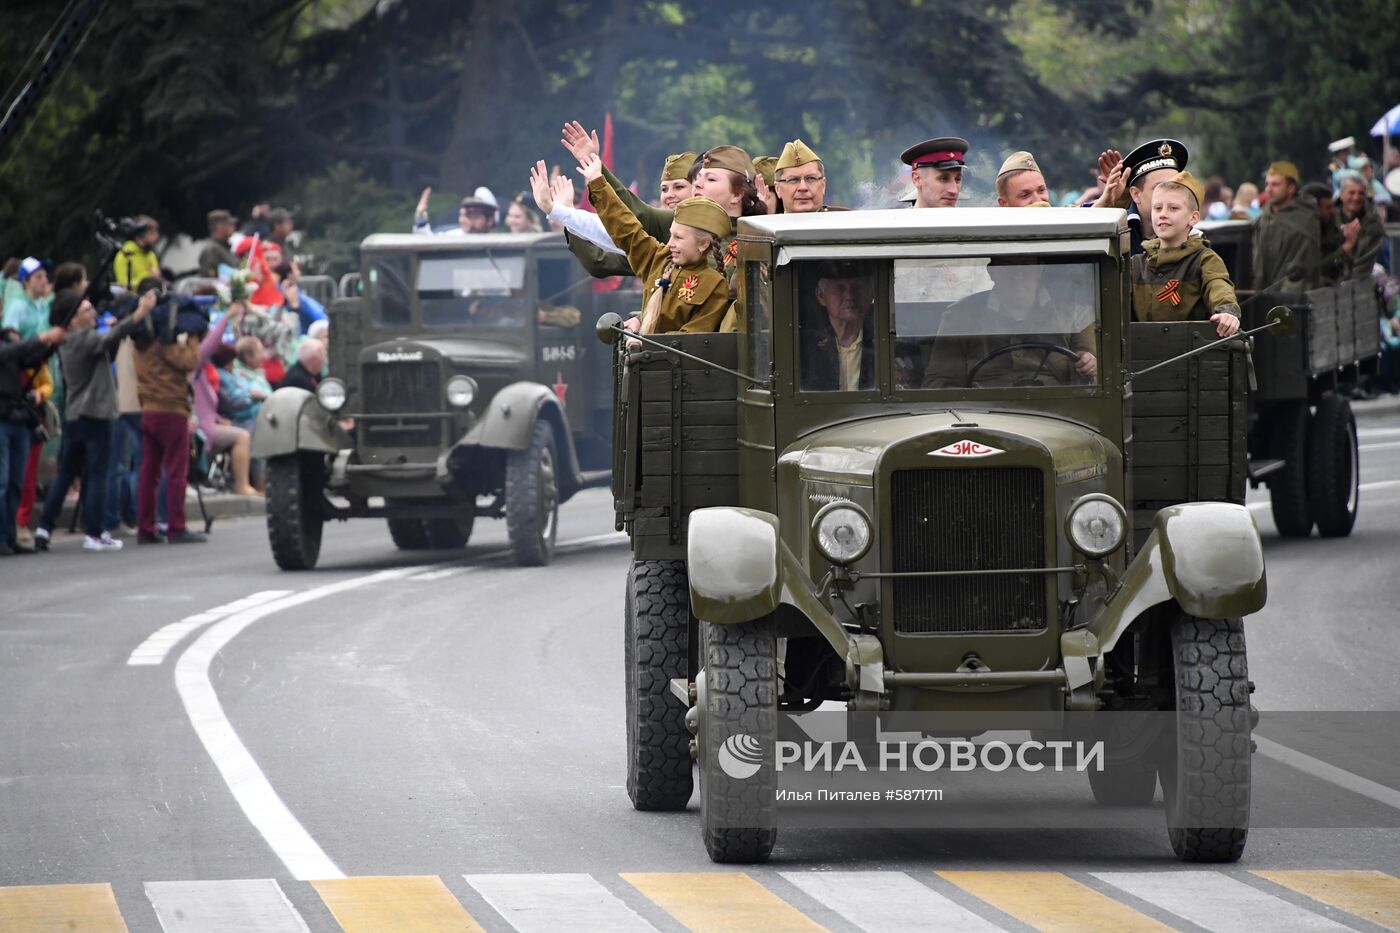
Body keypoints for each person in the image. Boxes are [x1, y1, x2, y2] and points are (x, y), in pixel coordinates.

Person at [32, 288, 157, 552]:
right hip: (95, 414)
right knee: (98, 474)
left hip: (76, 415)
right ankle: (95, 533)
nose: (93, 313)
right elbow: (107, 339)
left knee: (66, 474)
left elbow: (105, 345)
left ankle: (44, 527)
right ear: (73, 319)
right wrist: (139, 314)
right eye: (86, 310)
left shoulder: (68, 340)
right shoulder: (82, 339)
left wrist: (114, 331)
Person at [579, 151, 732, 335]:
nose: (670, 244)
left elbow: (693, 338)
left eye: (679, 238)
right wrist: (597, 183)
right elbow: (626, 228)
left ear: (703, 244)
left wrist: (645, 344)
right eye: (671, 236)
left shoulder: (713, 284)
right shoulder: (658, 259)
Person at [923, 258, 1097, 388]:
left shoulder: (1074, 313)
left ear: (1040, 269)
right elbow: (938, 382)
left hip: (1060, 407)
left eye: (1026, 266)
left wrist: (1089, 363)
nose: (1018, 275)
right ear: (992, 272)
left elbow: (1101, 376)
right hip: (986, 412)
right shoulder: (960, 316)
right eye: (1009, 267)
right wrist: (970, 401)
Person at [133, 279, 207, 544]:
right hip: (171, 407)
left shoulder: (139, 337)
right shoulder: (165, 339)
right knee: (176, 470)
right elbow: (188, 361)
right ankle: (176, 526)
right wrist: (195, 336)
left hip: (148, 407)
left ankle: (145, 528)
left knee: (148, 471)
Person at [1130, 172, 1241, 337]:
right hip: (1142, 355)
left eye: (1173, 208)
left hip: (1190, 353)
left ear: (1193, 218)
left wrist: (1226, 312)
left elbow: (1218, 285)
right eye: (1157, 208)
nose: (1163, 214)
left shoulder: (1204, 259)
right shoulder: (1136, 264)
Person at [1, 325, 64, 554]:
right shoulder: (7, 348)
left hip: (19, 417)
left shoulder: (10, 345)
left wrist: (49, 346)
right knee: (2, 482)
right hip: (3, 419)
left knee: (16, 481)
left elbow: (30, 361)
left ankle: (9, 536)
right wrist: (41, 337)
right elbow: (11, 351)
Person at [191, 305, 259, 497]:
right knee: (242, 436)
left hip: (209, 420)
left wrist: (217, 417)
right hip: (200, 427)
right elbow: (211, 345)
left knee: (242, 431)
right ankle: (242, 485)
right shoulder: (193, 362)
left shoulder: (202, 366)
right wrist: (225, 317)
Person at [1092, 139, 1189, 254]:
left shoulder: (1191, 235)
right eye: (1160, 188)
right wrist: (1104, 203)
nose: (1171, 195)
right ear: (1136, 194)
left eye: (1176, 186)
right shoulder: (1116, 229)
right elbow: (1075, 240)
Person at [799, 261, 877, 391]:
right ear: (821, 296)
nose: (849, 296)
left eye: (858, 287)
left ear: (871, 293)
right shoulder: (803, 347)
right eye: (839, 288)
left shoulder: (886, 342)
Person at [1254, 160, 1320, 294]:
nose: (1269, 189)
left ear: (1290, 188)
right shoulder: (1263, 218)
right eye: (1267, 184)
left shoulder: (1305, 218)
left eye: (1275, 184)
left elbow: (1307, 261)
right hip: (1263, 293)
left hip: (1294, 293)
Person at [1336, 171, 1386, 280]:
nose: (1356, 198)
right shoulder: (1328, 217)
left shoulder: (1373, 224)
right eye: (1351, 192)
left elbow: (1364, 262)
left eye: (1361, 193)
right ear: (1341, 195)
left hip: (1358, 284)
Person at [774, 139, 845, 213]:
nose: (803, 187)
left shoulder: (845, 221)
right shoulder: (767, 223)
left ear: (823, 185)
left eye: (811, 178)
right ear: (778, 189)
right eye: (793, 180)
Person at [901, 137, 969, 208]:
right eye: (943, 179)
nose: (954, 190)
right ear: (917, 179)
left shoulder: (973, 218)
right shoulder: (896, 218)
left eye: (958, 179)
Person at [413, 187, 498, 235]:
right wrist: (420, 216)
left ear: (490, 220)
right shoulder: (454, 237)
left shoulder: (502, 243)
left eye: (475, 217)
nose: (470, 222)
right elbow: (426, 241)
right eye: (468, 216)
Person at [112, 216, 161, 291]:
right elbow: (123, 285)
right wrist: (148, 283)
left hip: (154, 295)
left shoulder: (151, 255)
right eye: (152, 233)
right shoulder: (124, 255)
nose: (157, 236)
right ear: (141, 235)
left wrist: (157, 279)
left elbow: (157, 279)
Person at [198, 209, 239, 278]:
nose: (233, 227)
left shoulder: (224, 247)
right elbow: (209, 282)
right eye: (229, 224)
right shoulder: (211, 250)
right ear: (219, 226)